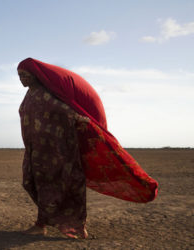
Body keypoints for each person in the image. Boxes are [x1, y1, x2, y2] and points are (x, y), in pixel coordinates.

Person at [17, 58, 158, 239]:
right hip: (36, 152)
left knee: (60, 186)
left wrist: (81, 119)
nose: (21, 79)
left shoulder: (44, 94)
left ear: (34, 75)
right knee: (32, 183)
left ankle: (68, 225)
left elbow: (63, 110)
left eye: (24, 75)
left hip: (56, 152)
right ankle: (45, 222)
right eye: (19, 76)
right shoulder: (30, 95)